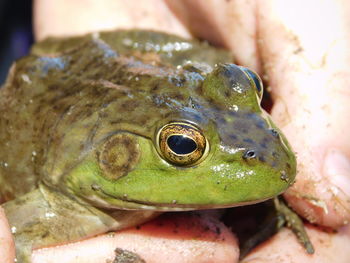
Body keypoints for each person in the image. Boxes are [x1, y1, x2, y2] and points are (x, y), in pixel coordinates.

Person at [1, 0, 350, 262]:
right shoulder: (53, 213)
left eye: (249, 89)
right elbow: (15, 240)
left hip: (101, 70)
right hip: (36, 101)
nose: (259, 150)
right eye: (182, 145)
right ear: (117, 158)